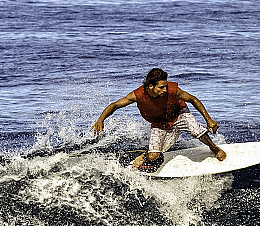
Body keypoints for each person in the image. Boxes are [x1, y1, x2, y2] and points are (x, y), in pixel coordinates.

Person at [91, 68, 226, 172]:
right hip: (160, 123)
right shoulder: (137, 95)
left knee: (195, 130)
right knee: (154, 156)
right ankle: (146, 154)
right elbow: (115, 105)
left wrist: (208, 119)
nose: (165, 89)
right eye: (161, 87)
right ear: (151, 87)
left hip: (179, 114)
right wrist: (101, 119)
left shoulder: (173, 90)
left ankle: (214, 148)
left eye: (166, 85)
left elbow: (192, 99)